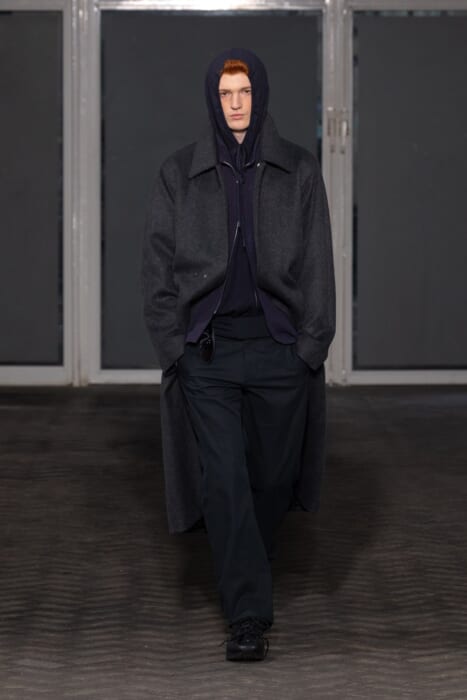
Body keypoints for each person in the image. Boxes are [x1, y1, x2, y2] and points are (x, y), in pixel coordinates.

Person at [142, 48, 335, 661]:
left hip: (280, 351)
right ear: (212, 98)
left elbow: (319, 265)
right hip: (210, 353)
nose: (235, 104)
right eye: (226, 93)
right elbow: (157, 268)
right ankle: (247, 617)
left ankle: (247, 555)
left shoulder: (298, 170)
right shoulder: (180, 173)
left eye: (244, 92)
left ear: (261, 95)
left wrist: (309, 348)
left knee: (272, 478)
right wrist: (175, 347)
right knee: (224, 479)